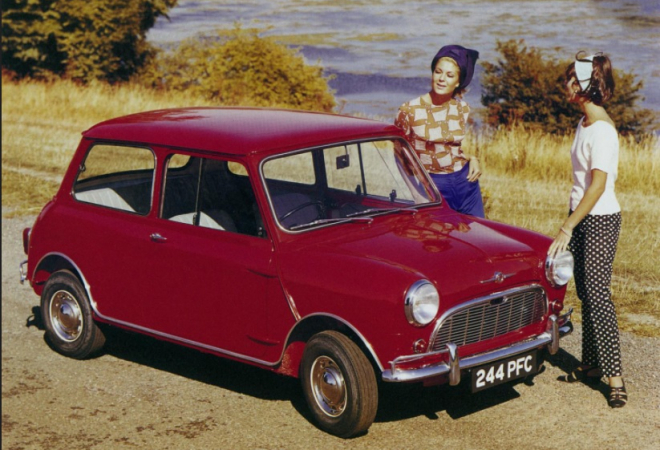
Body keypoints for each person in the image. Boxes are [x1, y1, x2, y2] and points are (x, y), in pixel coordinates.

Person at [548, 51, 626, 408]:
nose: (566, 85)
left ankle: (615, 377)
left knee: (597, 296)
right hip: (581, 215)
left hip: (598, 219)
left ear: (587, 86)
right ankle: (591, 365)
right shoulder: (584, 123)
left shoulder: (604, 132)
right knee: (585, 292)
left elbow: (597, 187)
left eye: (572, 80)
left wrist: (567, 227)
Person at [395, 44, 484, 217]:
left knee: (476, 236)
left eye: (449, 75)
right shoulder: (409, 110)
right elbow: (400, 157)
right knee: (437, 240)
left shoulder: (462, 109)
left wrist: (473, 158)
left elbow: (449, 148)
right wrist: (417, 194)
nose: (442, 78)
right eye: (438, 72)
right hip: (432, 185)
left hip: (466, 183)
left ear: (457, 82)